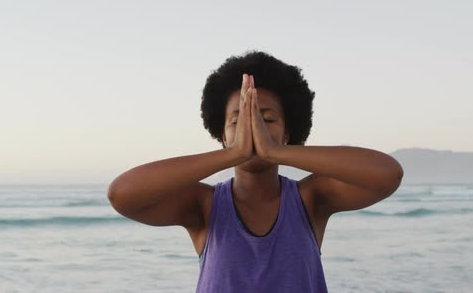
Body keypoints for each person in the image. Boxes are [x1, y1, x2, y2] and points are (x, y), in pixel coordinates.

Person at [107, 50, 404, 292]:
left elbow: (387, 173)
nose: (253, 128)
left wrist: (277, 152)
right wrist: (233, 153)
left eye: (267, 119)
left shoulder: (311, 199)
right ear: (221, 133)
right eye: (238, 120)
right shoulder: (205, 205)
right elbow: (122, 194)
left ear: (288, 132)